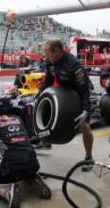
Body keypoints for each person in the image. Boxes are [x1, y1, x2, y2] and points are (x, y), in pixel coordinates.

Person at [0, 96, 51, 208]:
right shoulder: (18, 118)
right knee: (24, 168)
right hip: (33, 163)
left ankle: (6, 193)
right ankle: (33, 177)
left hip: (12, 168)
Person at [39, 39, 94, 172]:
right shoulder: (50, 62)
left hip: (81, 93)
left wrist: (85, 110)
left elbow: (85, 89)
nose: (46, 57)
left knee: (84, 125)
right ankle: (46, 140)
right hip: (65, 92)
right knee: (46, 108)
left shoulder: (73, 64)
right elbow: (48, 80)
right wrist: (39, 96)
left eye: (48, 54)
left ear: (57, 51)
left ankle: (89, 157)